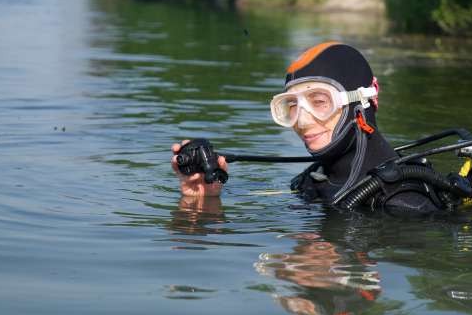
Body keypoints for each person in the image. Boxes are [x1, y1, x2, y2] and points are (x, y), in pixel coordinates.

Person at [172, 41, 451, 212]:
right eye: (291, 106)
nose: (302, 122)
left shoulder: (405, 203)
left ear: (362, 102)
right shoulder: (311, 181)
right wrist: (203, 200)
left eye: (319, 102)